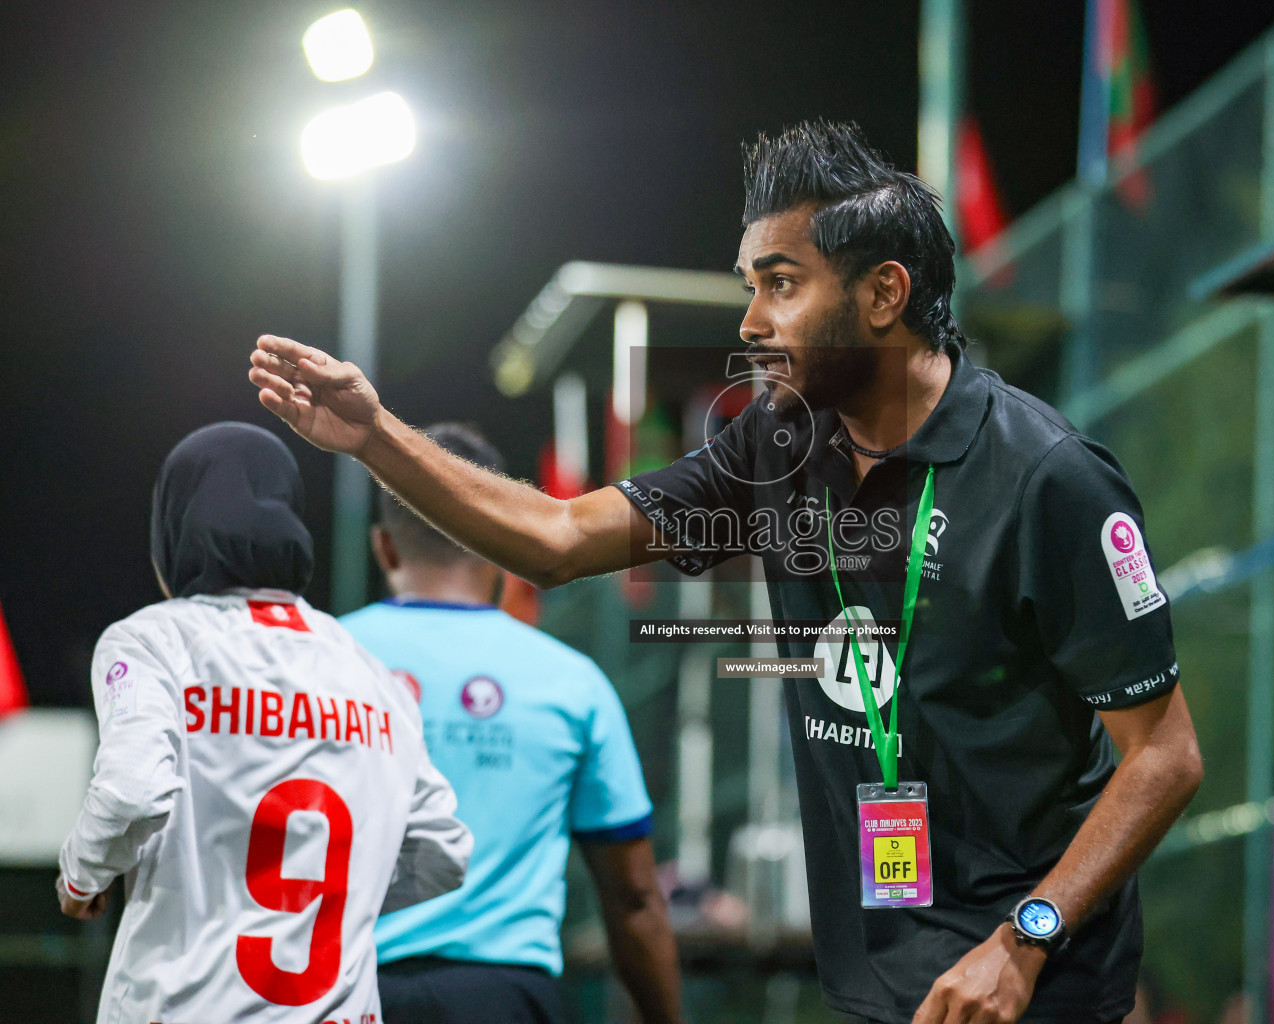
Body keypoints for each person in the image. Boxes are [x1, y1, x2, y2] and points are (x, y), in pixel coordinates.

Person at [248, 119, 1204, 1024]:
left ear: (883, 295)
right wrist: (374, 437)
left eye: (781, 284)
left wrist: (1025, 939)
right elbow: (559, 536)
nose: (751, 321)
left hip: (1034, 988)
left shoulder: (1048, 479)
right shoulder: (776, 442)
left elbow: (1164, 757)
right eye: (750, 284)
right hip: (879, 972)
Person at [57, 421, 472, 1023]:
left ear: (173, 531)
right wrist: (324, 897)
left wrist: (79, 874)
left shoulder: (154, 639)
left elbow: (132, 791)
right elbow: (444, 850)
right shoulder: (369, 669)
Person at [339, 422, 683, 1024]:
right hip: (503, 1000)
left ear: (384, 547)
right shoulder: (572, 683)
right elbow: (633, 899)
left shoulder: (320, 660)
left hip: (339, 990)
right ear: (498, 538)